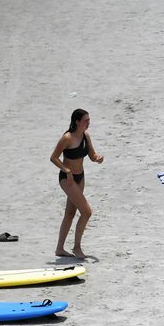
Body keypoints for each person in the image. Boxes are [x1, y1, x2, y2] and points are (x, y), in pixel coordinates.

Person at [51, 108, 104, 258]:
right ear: (77, 121)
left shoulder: (86, 136)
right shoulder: (67, 138)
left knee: (70, 213)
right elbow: (54, 157)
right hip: (67, 179)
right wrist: (66, 170)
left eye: (89, 120)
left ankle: (59, 249)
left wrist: (97, 158)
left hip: (80, 177)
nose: (88, 123)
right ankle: (77, 247)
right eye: (85, 120)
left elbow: (92, 155)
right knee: (87, 212)